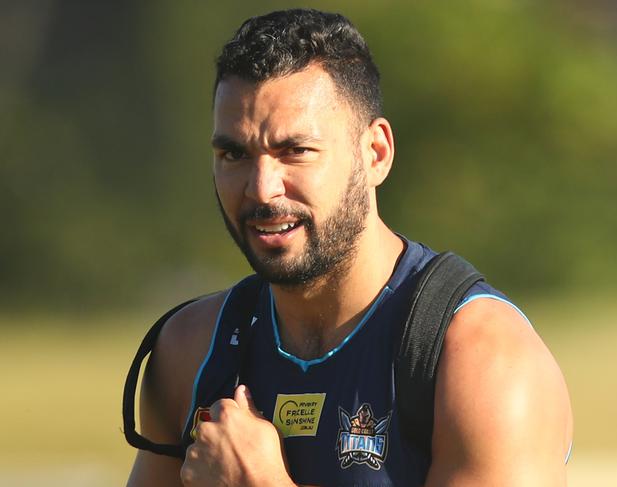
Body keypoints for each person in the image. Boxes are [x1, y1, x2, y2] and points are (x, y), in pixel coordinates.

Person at [126, 8, 573, 487]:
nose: (261, 188)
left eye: (295, 150)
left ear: (375, 153)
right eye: (234, 154)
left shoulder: (482, 360)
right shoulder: (190, 351)